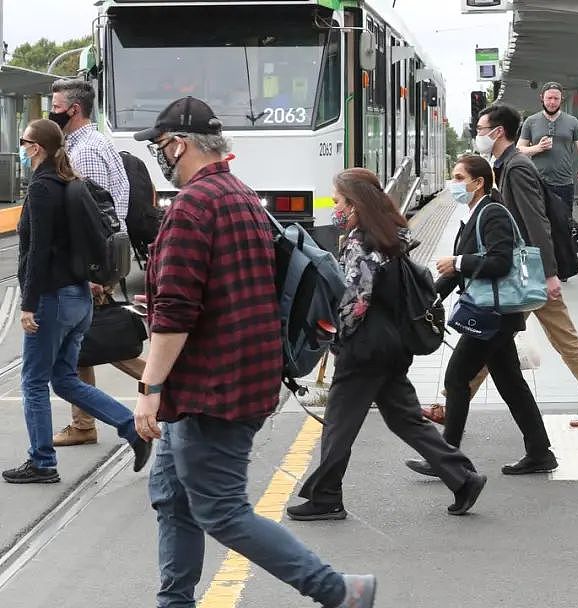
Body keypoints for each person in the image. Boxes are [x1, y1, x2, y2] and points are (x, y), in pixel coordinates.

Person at [131, 97, 375, 608]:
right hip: (238, 374)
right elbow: (221, 288)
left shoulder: (192, 206)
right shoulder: (238, 194)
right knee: (173, 498)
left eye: (159, 145)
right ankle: (174, 602)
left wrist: (150, 389)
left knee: (222, 511)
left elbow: (176, 313)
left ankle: (339, 591)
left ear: (179, 144)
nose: (159, 155)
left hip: (210, 388)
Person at [287, 168, 486, 521]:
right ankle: (463, 478)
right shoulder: (392, 236)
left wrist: (340, 336)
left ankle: (326, 496)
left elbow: (358, 298)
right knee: (405, 419)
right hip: (394, 344)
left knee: (339, 422)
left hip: (365, 348)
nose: (335, 209)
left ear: (355, 205)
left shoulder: (361, 241)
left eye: (338, 202)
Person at [422, 103, 578, 429]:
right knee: (495, 337)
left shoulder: (516, 167)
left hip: (527, 274)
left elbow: (535, 221)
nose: (478, 135)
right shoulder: (506, 164)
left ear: (497, 132)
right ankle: (451, 400)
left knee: (531, 336)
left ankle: (451, 400)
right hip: (523, 272)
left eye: (481, 129)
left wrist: (550, 274)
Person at [3, 119, 151, 485]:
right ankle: (131, 427)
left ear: (36, 147)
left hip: (51, 300)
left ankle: (42, 462)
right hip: (79, 299)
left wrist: (28, 304)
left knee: (34, 382)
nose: (22, 150)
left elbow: (37, 253)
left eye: (24, 143)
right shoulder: (72, 183)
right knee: (65, 379)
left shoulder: (41, 189)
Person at [408, 155, 558, 477]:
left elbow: (499, 262)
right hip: (493, 313)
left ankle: (447, 460)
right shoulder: (476, 214)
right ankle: (540, 452)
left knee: (457, 377)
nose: (455, 183)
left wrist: (459, 262)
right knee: (510, 382)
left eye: (460, 177)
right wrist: (431, 298)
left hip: (495, 315)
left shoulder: (493, 214)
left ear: (479, 183)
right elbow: (458, 273)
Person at [49, 77, 145, 448]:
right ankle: (83, 422)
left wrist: (90, 270)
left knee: (103, 342)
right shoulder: (93, 141)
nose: (51, 110)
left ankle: (168, 389)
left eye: (55, 105)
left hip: (93, 260)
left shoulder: (85, 151)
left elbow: (90, 217)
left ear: (73, 109)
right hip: (101, 257)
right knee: (79, 342)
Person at [517, 82, 578, 215]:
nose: (552, 102)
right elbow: (519, 150)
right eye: (549, 98)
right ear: (542, 98)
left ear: (561, 99)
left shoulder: (572, 121)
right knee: (540, 222)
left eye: (556, 98)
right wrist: (537, 148)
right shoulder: (531, 121)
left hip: (564, 183)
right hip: (538, 182)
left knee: (564, 223)